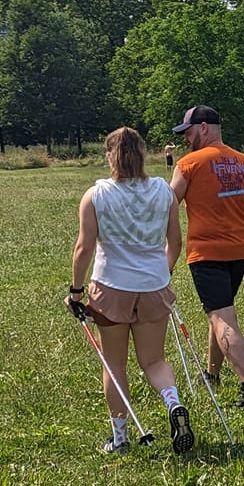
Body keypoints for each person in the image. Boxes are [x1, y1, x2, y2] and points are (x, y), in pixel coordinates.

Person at [67, 126, 193, 455]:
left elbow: (84, 248)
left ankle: (120, 437)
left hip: (111, 288)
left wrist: (76, 292)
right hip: (154, 287)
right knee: (154, 360)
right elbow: (175, 242)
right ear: (142, 154)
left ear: (111, 156)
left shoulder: (96, 195)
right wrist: (162, 273)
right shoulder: (164, 191)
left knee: (114, 364)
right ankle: (173, 402)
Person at [165, 106, 244, 409]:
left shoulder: (189, 164)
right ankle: (212, 374)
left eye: (188, 132)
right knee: (220, 311)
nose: (186, 138)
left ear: (203, 128)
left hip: (206, 253)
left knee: (222, 317)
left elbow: (166, 205)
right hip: (239, 252)